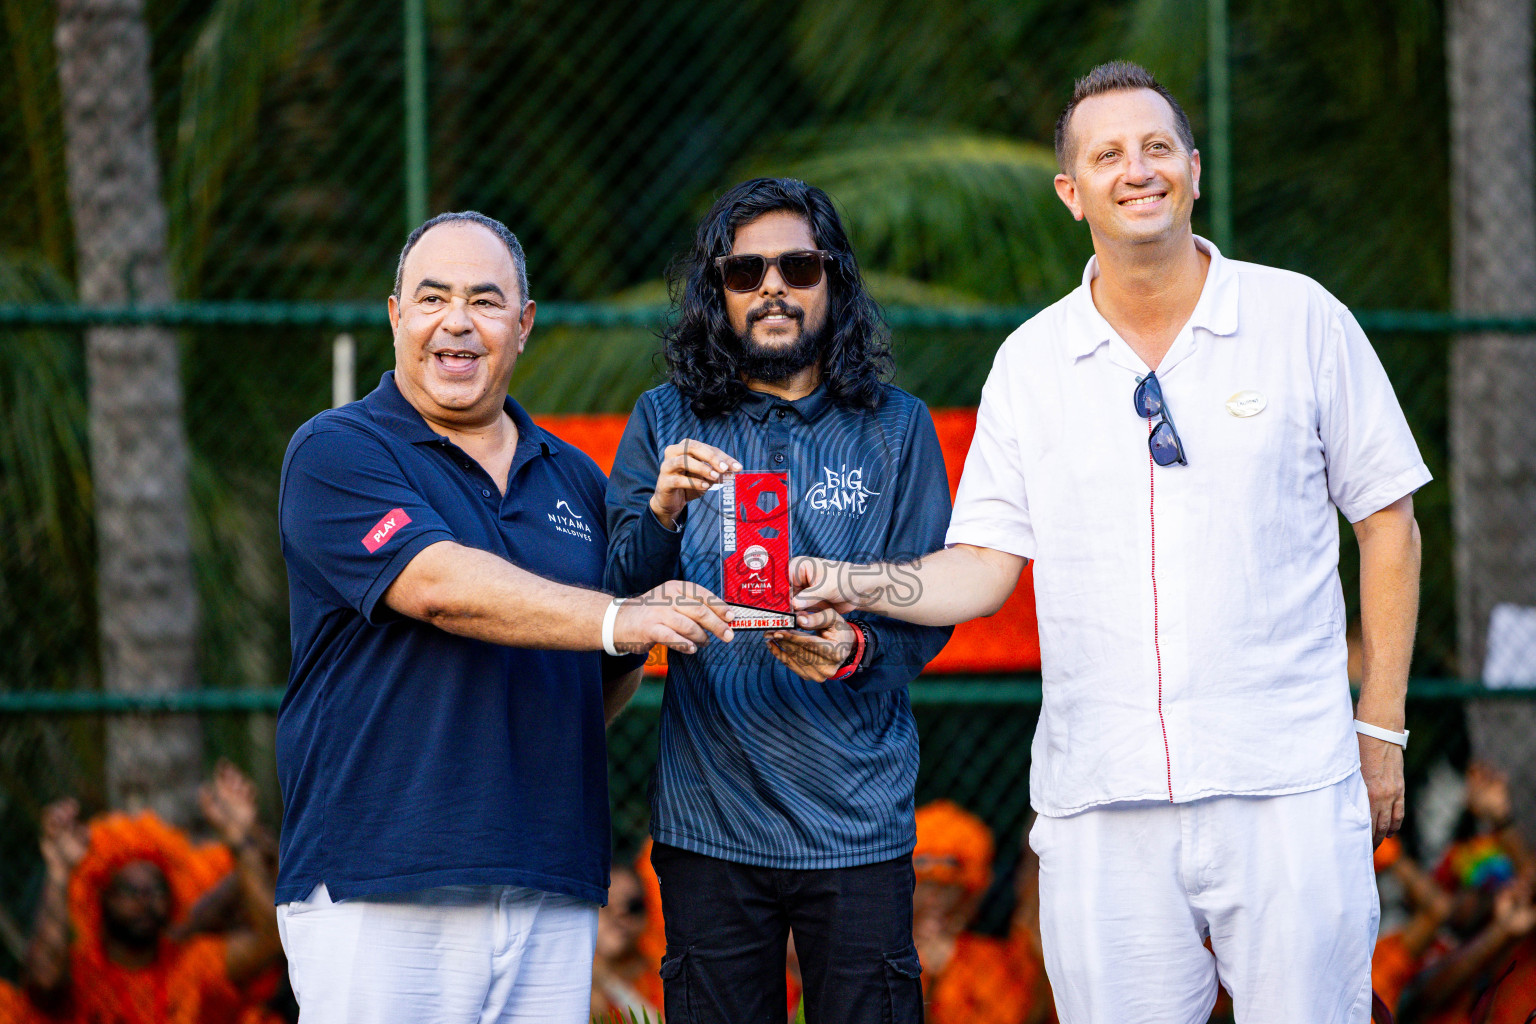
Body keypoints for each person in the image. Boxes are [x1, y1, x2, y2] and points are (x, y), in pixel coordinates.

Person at [794, 61, 1428, 1023]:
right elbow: (984, 567)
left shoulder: (1302, 317)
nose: (1137, 170)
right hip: (1100, 799)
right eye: (1108, 155)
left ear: (1194, 171)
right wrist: (851, 580)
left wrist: (1379, 732)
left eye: (1157, 147)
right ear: (1071, 191)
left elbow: (1388, 521)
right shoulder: (1031, 362)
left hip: (1288, 784)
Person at [275, 210, 733, 1023]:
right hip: (380, 882)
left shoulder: (577, 479)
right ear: (396, 317)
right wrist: (623, 618)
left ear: (523, 325)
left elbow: (595, 685)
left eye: (485, 301)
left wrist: (636, 618)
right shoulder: (337, 449)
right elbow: (437, 586)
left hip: (548, 884)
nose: (456, 321)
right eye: (432, 298)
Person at [604, 177, 953, 1024]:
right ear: (715, 291)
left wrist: (857, 649)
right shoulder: (664, 418)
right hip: (709, 820)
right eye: (744, 271)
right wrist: (661, 513)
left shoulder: (897, 426)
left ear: (834, 280)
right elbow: (614, 594)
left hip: (858, 821)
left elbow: (932, 603)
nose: (772, 288)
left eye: (797, 267)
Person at [17, 762, 283, 1024]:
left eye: (157, 889)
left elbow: (272, 940)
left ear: (174, 897)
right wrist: (59, 872)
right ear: (100, 898)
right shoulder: (81, 971)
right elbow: (43, 982)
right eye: (129, 890)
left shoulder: (192, 963)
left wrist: (239, 840)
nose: (145, 899)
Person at [911, 801, 1049, 1024]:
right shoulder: (879, 952)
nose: (936, 899)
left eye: (949, 888)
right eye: (926, 885)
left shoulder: (991, 961)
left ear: (969, 894)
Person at [590, 866, 663, 1020]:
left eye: (634, 907)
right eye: (605, 904)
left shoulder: (659, 978)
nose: (620, 913)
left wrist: (610, 983)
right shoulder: (558, 978)